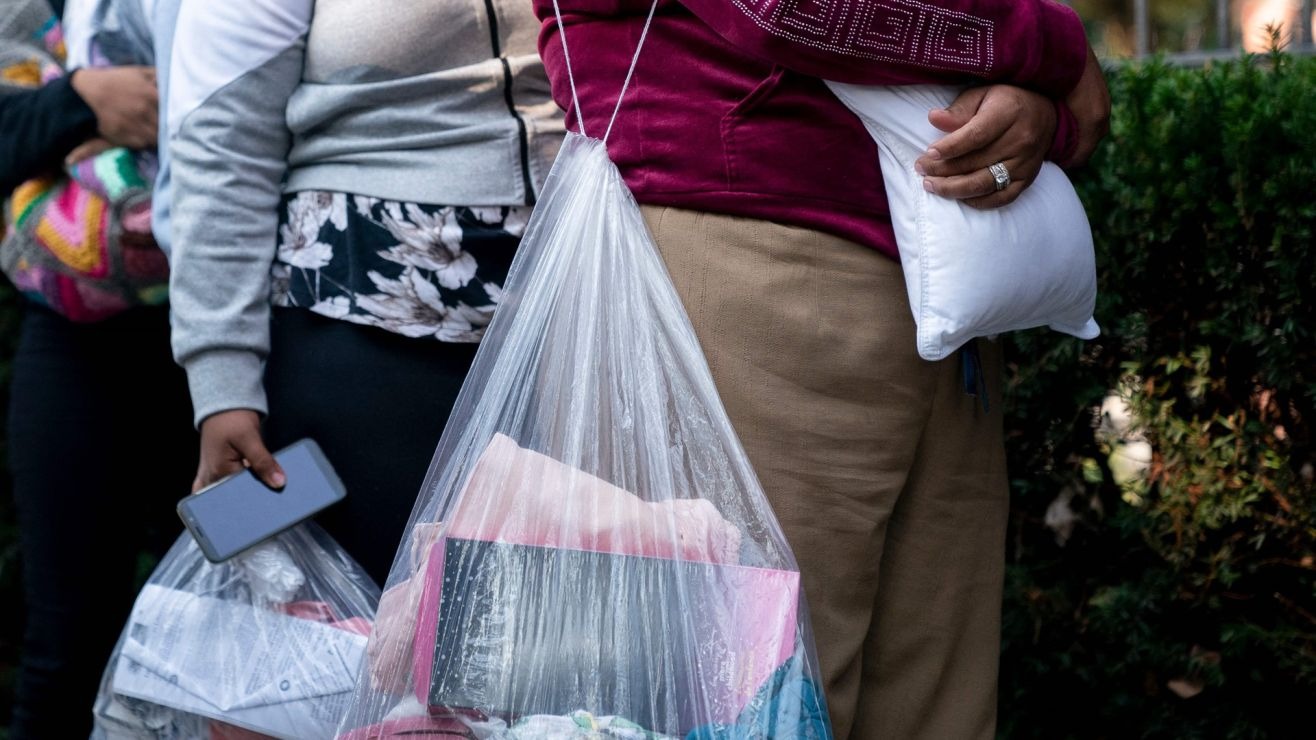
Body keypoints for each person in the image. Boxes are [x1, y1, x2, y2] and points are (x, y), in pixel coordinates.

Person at [533, 1, 1111, 738]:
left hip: (939, 284)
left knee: (931, 712)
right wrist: (1050, 49)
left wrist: (1027, 113)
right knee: (746, 710)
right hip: (738, 271)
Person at [166, 0, 563, 584]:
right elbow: (223, 147)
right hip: (363, 321)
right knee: (395, 640)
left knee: (571, 632)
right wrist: (221, 378)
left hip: (576, 310)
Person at [0, 0, 195, 736]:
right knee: (67, 644)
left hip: (242, 361)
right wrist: (79, 102)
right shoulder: (30, 10)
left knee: (256, 608)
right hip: (79, 352)